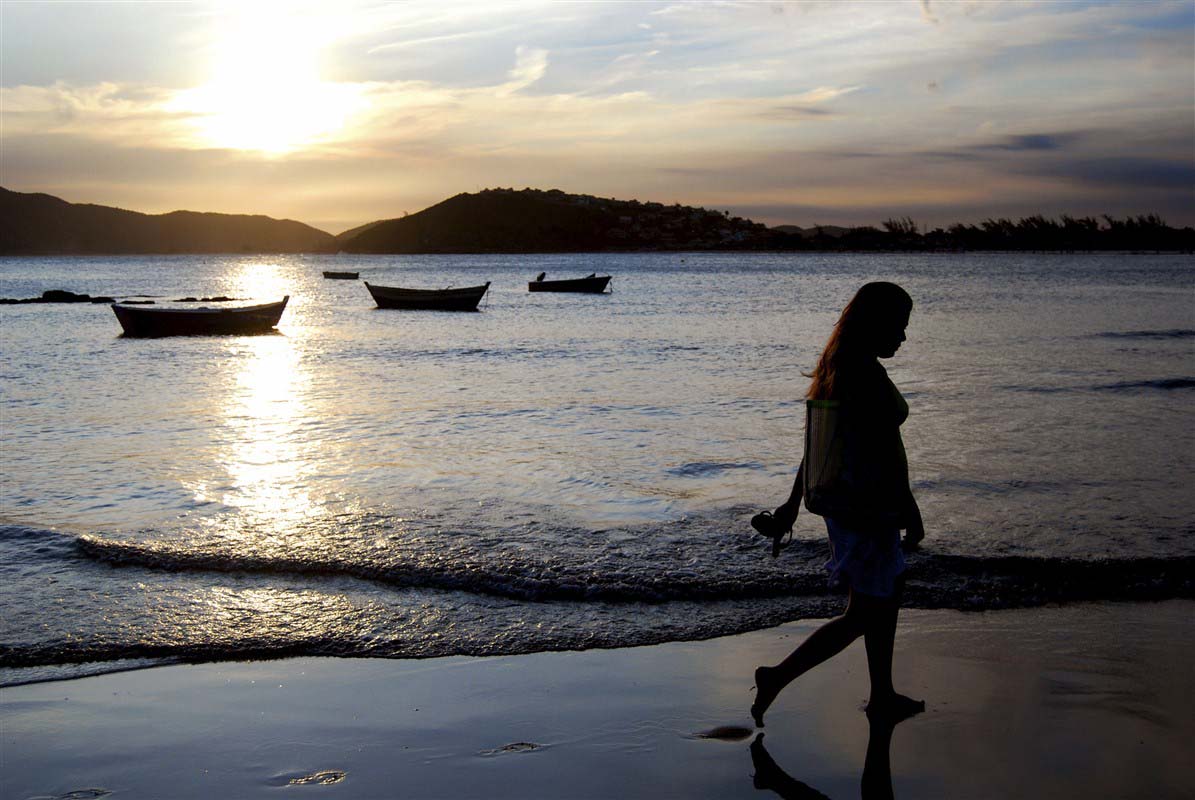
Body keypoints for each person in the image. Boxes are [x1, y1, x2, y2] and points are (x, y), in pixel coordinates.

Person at [750, 281, 925, 726]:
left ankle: (882, 693)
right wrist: (909, 507)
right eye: (899, 327)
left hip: (853, 503)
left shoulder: (845, 365)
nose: (903, 338)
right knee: (867, 608)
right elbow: (882, 447)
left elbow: (817, 448)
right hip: (866, 507)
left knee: (883, 595)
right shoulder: (860, 373)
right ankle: (777, 676)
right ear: (876, 323)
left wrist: (792, 506)